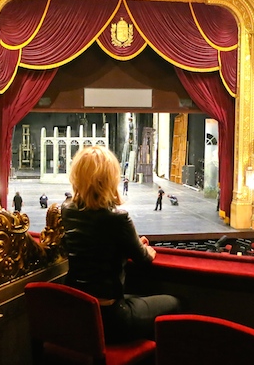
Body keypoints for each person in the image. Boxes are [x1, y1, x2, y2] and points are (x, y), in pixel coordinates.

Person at [61, 146, 181, 343]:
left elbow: (92, 241)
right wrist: (145, 248)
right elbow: (144, 259)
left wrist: (127, 243)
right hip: (111, 317)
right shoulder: (118, 217)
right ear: (110, 179)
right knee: (175, 303)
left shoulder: (66, 210)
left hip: (79, 313)